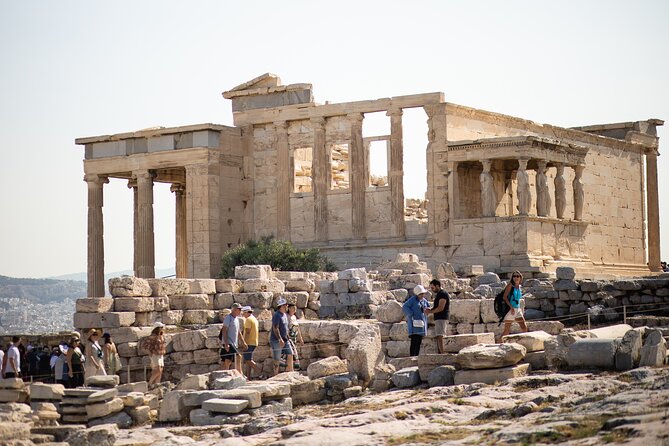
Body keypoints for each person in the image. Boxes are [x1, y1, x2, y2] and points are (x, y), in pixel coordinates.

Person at [403, 285, 430, 357]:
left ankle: (416, 356)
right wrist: (411, 313)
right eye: (420, 294)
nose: (422, 295)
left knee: (419, 341)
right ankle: (412, 357)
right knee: (414, 341)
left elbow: (428, 307)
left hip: (421, 324)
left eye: (422, 293)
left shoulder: (424, 301)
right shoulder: (412, 300)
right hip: (414, 324)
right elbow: (405, 306)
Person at [219, 303, 247, 374]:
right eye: (239, 309)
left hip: (234, 343)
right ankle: (240, 374)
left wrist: (243, 342)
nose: (240, 311)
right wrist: (226, 343)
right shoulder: (228, 318)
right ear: (234, 309)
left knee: (227, 360)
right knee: (238, 357)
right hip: (229, 342)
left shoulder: (236, 319)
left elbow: (238, 332)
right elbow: (224, 330)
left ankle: (226, 374)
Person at [425, 279, 450, 354]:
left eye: (433, 288)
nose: (432, 290)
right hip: (439, 317)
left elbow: (441, 307)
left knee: (440, 335)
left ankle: (442, 352)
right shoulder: (439, 294)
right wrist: (430, 309)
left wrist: (430, 311)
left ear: (437, 286)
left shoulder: (443, 294)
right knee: (439, 335)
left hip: (441, 317)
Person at [502, 270, 529, 337]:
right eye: (514, 276)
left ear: (520, 277)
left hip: (518, 309)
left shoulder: (519, 287)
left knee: (524, 327)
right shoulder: (510, 286)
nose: (516, 278)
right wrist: (511, 307)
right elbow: (505, 297)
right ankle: (500, 343)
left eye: (517, 276)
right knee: (506, 331)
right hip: (510, 310)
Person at [269, 298, 292, 376]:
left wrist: (288, 336)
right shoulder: (277, 315)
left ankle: (289, 372)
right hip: (277, 340)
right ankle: (275, 374)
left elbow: (285, 327)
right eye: (286, 305)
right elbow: (275, 328)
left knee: (290, 353)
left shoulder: (284, 315)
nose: (287, 306)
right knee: (277, 358)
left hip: (285, 339)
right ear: (282, 306)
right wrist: (279, 339)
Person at [241, 306, 262, 379]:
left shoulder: (248, 320)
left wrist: (244, 343)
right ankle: (248, 376)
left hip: (249, 342)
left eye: (243, 313)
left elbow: (247, 332)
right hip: (254, 341)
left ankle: (260, 372)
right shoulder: (254, 319)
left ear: (246, 312)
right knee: (248, 360)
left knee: (248, 360)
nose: (242, 314)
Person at [145, 323, 166, 388]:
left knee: (161, 370)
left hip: (161, 354)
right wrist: (150, 353)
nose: (162, 328)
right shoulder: (152, 336)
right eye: (161, 327)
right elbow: (146, 346)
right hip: (154, 354)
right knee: (158, 370)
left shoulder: (161, 336)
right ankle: (149, 383)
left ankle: (157, 385)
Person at [287, 304, 304, 370]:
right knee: (291, 352)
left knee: (294, 352)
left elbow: (297, 328)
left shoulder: (294, 317)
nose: (295, 310)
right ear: (289, 308)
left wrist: (300, 338)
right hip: (289, 337)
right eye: (293, 308)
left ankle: (293, 367)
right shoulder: (287, 317)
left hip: (294, 338)